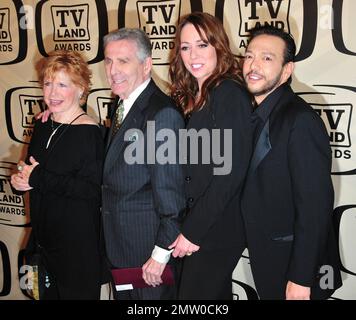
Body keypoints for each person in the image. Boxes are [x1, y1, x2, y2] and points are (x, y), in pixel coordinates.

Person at [241, 25, 342, 300]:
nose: (254, 65)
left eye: (267, 58)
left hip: (296, 271)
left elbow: (315, 207)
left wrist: (301, 277)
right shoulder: (253, 115)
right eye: (249, 56)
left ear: (287, 70)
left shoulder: (300, 120)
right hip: (270, 262)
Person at [168, 12, 253, 299]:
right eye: (185, 46)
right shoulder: (197, 94)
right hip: (201, 221)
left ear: (218, 46)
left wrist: (193, 231)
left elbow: (230, 173)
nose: (193, 54)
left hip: (217, 227)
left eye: (202, 45)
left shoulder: (229, 93)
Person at [11, 50, 105, 299]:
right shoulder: (42, 123)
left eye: (62, 84)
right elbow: (31, 170)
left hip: (76, 252)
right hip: (42, 245)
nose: (52, 93)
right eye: (48, 83)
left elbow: (92, 191)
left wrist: (37, 177)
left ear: (81, 89)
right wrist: (21, 180)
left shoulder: (89, 134)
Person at [101, 28, 185, 300]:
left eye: (123, 61)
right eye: (108, 61)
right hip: (120, 250)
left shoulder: (162, 115)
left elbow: (172, 197)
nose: (113, 70)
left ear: (146, 64)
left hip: (147, 257)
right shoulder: (122, 105)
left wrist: (160, 255)